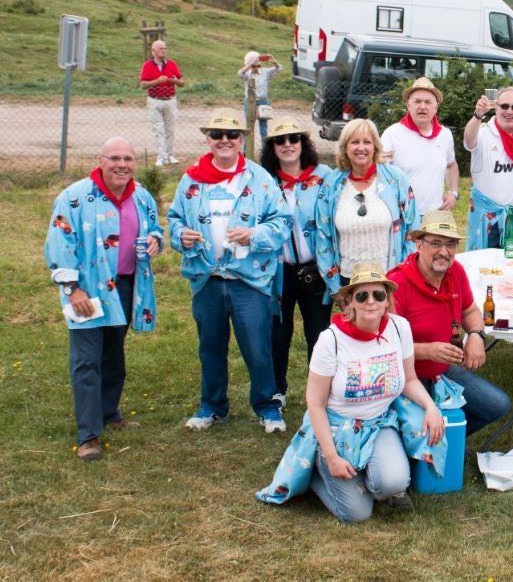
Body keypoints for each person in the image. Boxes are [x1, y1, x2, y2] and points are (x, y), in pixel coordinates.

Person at [257, 262, 445, 523]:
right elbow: (315, 403)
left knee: (393, 483)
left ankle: (363, 470)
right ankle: (317, 469)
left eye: (378, 295)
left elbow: (409, 379)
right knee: (357, 514)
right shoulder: (331, 340)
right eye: (362, 295)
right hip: (336, 428)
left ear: (387, 300)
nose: (371, 302)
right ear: (349, 302)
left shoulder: (399, 328)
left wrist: (431, 407)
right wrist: (332, 457)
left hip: (379, 424)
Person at [168, 108, 291, 434]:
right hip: (207, 278)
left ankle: (267, 408)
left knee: (258, 348)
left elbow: (282, 223)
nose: (224, 140)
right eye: (217, 135)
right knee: (210, 347)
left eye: (232, 135)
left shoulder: (259, 178)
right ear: (208, 139)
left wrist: (254, 235)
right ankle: (212, 406)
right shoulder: (191, 178)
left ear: (242, 141)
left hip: (248, 280)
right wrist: (180, 235)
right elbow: (174, 220)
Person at [45, 137, 163, 460]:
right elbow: (59, 242)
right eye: (114, 158)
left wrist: (154, 240)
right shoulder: (74, 197)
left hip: (126, 287)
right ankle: (88, 436)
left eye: (128, 158)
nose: (122, 164)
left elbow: (155, 229)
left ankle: (109, 412)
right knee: (86, 359)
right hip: (86, 291)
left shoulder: (141, 197)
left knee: (114, 353)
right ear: (100, 161)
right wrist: (73, 289)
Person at [387, 209, 511, 436]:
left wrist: (475, 335)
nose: (444, 252)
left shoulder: (456, 271)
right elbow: (385, 348)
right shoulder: (397, 283)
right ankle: (427, 441)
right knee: (419, 429)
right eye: (435, 243)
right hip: (406, 378)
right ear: (419, 244)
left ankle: (448, 439)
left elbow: (470, 310)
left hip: (443, 371)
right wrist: (427, 351)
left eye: (451, 244)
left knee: (498, 405)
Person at [260, 117, 333, 409]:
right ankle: (277, 388)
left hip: (315, 269)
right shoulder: (264, 182)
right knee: (278, 333)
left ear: (303, 143)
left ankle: (320, 392)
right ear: (272, 147)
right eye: (280, 140)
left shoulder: (324, 176)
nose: (288, 145)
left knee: (318, 334)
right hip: (278, 272)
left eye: (294, 139)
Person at [315, 118, 417, 298]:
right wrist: (336, 288)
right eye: (354, 142)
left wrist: (404, 276)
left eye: (367, 142)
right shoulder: (333, 184)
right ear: (345, 147)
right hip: (349, 280)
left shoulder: (396, 179)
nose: (361, 147)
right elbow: (323, 235)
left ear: (375, 147)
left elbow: (412, 228)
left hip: (390, 277)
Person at [463, 86, 513, 251]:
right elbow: (469, 141)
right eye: (504, 106)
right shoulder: (483, 132)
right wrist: (477, 116)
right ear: (496, 107)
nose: (509, 111)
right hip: (485, 217)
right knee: (482, 267)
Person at [381, 76, 459, 216]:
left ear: (436, 106)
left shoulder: (445, 135)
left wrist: (453, 192)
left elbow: (451, 164)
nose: (422, 106)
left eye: (428, 102)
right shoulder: (391, 134)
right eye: (417, 101)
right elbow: (380, 172)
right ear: (408, 105)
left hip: (436, 215)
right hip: (402, 216)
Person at [139, 39, 185, 167]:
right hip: (154, 101)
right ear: (153, 51)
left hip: (170, 99)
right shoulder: (148, 65)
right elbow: (143, 84)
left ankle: (169, 155)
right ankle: (162, 156)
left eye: (165, 48)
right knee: (158, 130)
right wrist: (157, 81)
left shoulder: (171, 64)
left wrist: (174, 81)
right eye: (160, 48)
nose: (163, 51)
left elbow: (182, 82)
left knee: (170, 129)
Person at [238, 50, 282, 143]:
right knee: (249, 126)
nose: (257, 68)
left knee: (263, 127)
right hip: (250, 101)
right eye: (254, 66)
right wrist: (250, 64)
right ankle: (246, 151)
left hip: (263, 101)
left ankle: (265, 150)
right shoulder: (247, 74)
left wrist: (274, 61)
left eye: (259, 65)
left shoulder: (265, 72)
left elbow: (279, 69)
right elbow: (240, 74)